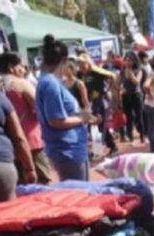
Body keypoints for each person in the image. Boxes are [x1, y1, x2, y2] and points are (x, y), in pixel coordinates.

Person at [35, 35, 99, 181]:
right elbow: (56, 120)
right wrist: (82, 118)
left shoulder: (50, 81)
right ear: (64, 61)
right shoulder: (51, 83)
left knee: (82, 192)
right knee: (78, 196)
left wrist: (84, 117)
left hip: (72, 148)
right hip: (67, 150)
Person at [0, 52, 54, 183]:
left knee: (21, 186)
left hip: (10, 144)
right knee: (44, 181)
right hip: (31, 141)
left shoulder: (0, 86)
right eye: (21, 66)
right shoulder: (20, 83)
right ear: (12, 67)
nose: (24, 70)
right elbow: (41, 107)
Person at [0, 89, 36, 201]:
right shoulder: (1, 99)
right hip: (2, 166)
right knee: (8, 214)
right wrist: (30, 169)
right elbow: (19, 138)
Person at [77, 52, 118, 156]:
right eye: (79, 64)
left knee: (99, 126)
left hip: (100, 101)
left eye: (83, 64)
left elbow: (113, 76)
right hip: (91, 102)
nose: (81, 66)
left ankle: (104, 149)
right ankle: (103, 149)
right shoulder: (82, 74)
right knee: (95, 126)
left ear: (88, 63)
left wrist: (107, 89)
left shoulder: (96, 71)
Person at [120, 51, 144, 143]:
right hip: (126, 96)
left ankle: (142, 136)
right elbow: (119, 82)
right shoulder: (122, 71)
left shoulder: (138, 70)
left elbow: (137, 82)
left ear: (134, 61)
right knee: (128, 117)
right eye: (126, 60)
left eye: (130, 60)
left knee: (139, 116)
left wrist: (130, 74)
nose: (128, 62)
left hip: (136, 95)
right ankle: (130, 136)